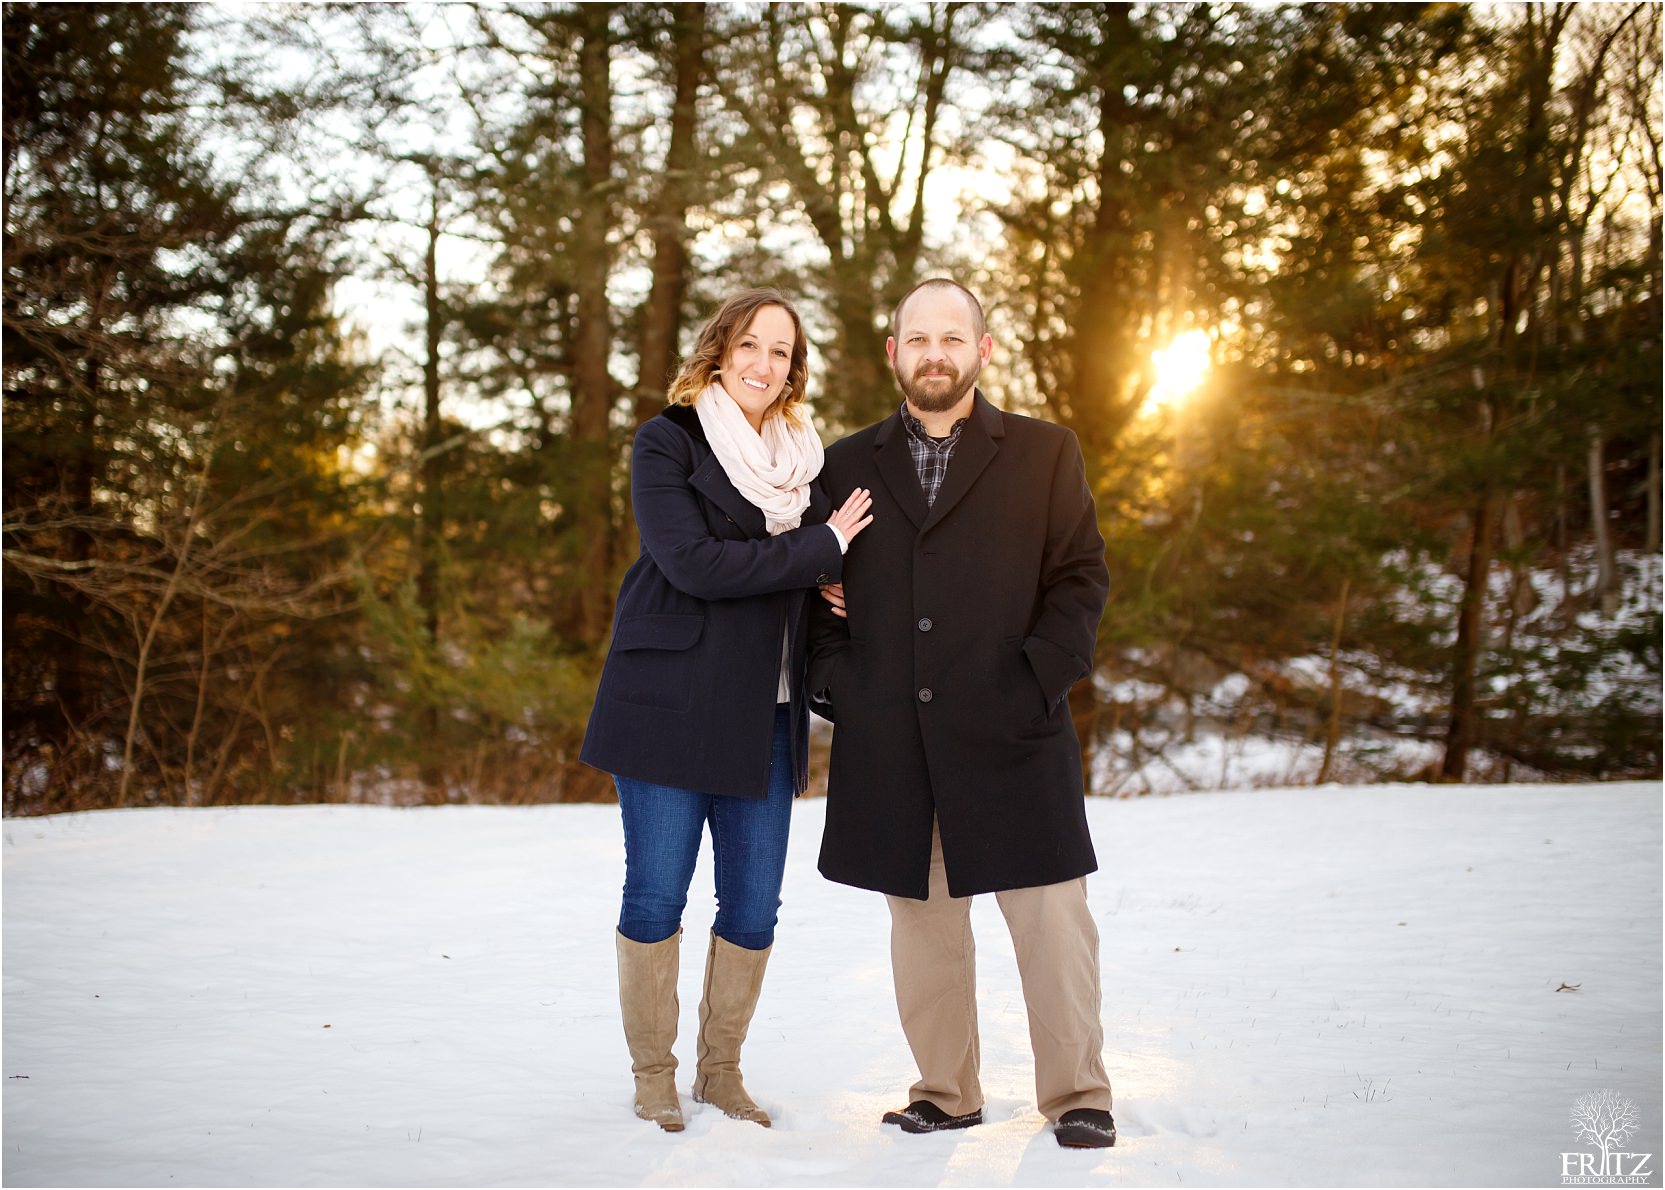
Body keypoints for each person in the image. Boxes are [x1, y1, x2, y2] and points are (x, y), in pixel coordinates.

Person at [807, 278, 1116, 1149]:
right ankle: (945, 1091)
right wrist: (842, 686)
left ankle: (1078, 1094)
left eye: (952, 338)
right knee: (924, 927)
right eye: (917, 339)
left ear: (982, 350)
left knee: (1053, 924)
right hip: (893, 741)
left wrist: (1035, 680)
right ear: (893, 353)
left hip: (1016, 729)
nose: (933, 354)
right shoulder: (842, 464)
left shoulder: (1044, 452)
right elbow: (811, 589)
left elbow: (1080, 578)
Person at [581, 288, 874, 1133]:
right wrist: (818, 551)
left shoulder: (805, 465)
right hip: (668, 709)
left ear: (793, 371)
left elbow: (807, 582)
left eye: (780, 352)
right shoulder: (666, 442)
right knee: (655, 897)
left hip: (765, 714)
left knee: (752, 907)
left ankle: (720, 1072)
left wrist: (838, 591)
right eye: (749, 344)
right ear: (719, 350)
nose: (762, 363)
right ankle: (652, 1076)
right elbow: (696, 563)